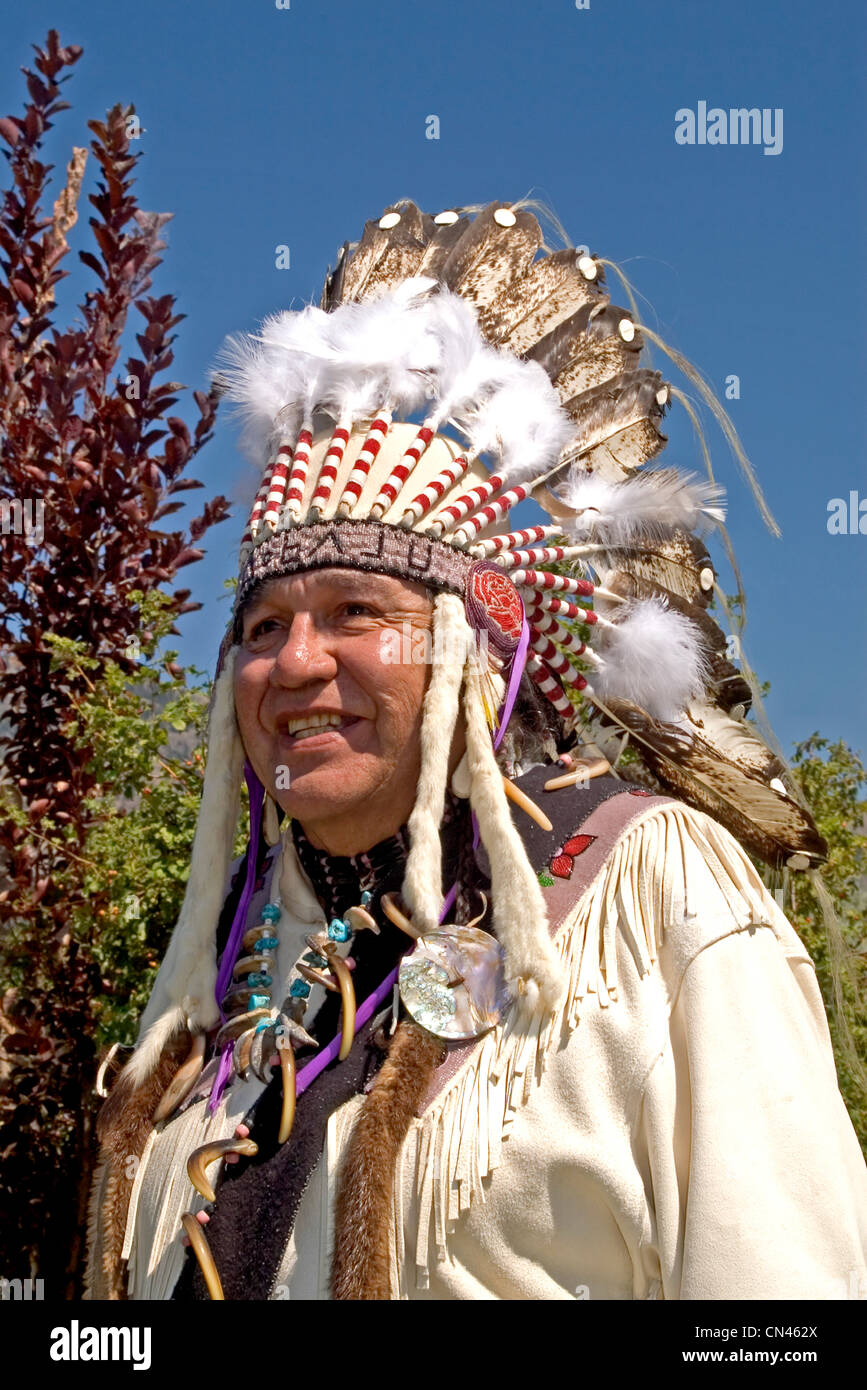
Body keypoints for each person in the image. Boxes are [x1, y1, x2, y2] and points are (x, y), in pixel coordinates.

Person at [85, 199, 867, 1301]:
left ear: (481, 655)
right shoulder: (229, 983)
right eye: (262, 628)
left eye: (354, 610)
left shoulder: (647, 892)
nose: (294, 662)